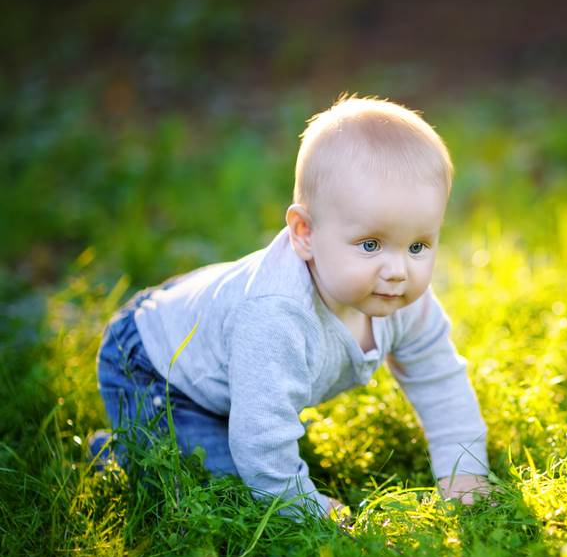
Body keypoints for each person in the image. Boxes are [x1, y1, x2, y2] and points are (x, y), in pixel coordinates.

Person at [89, 95, 491, 521]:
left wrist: (464, 473)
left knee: (255, 422)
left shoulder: (404, 300)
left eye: (418, 246)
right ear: (305, 233)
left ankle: (223, 419)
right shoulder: (276, 317)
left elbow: (440, 380)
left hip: (222, 345)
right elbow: (262, 445)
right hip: (156, 366)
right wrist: (308, 510)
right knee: (221, 492)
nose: (397, 271)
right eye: (371, 244)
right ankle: (121, 455)